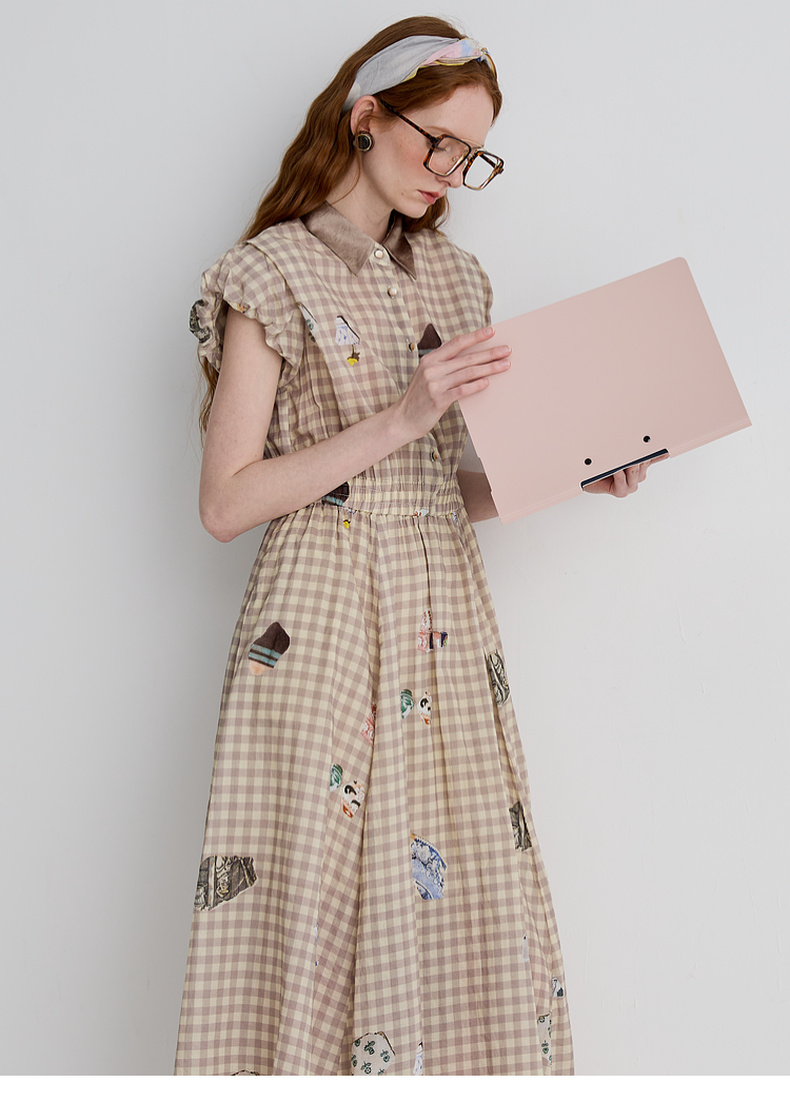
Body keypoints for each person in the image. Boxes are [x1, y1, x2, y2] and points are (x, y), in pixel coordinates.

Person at [175, 15, 652, 1077]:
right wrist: (402, 414)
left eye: (471, 155)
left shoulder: (456, 280)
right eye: (440, 141)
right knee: (311, 891)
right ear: (365, 118)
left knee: (459, 886)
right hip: (319, 624)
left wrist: (570, 472)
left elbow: (434, 491)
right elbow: (225, 501)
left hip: (443, 620)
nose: (451, 172)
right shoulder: (269, 271)